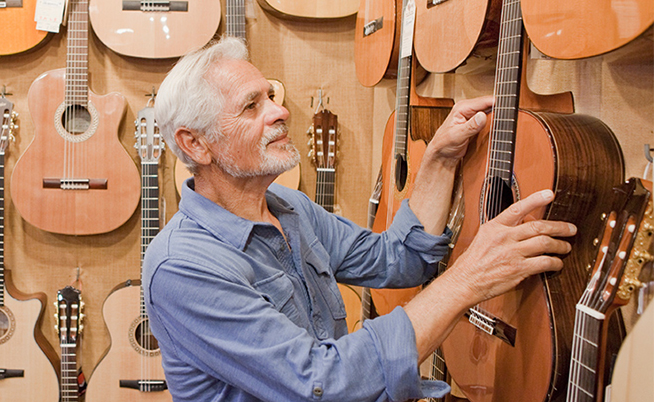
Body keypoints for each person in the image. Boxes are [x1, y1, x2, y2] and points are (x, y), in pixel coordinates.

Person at [142, 36, 576, 401]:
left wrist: (440, 161)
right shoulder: (182, 267)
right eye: (252, 106)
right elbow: (323, 383)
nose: (280, 111)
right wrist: (468, 280)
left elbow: (398, 259)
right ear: (196, 144)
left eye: (271, 96)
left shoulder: (287, 206)